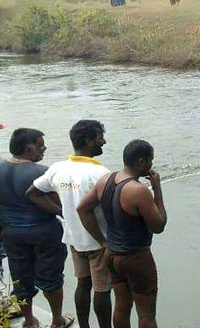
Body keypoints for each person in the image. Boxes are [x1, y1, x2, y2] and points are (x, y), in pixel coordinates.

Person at [0, 129, 74, 328]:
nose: (44, 148)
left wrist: (1, 215)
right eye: (40, 145)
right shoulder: (43, 172)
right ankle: (57, 320)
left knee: (21, 278)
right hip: (44, 232)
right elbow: (58, 203)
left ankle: (29, 321)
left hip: (12, 233)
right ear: (28, 148)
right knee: (52, 278)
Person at [26, 120, 111, 328]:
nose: (103, 142)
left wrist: (62, 213)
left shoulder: (58, 168)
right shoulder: (100, 174)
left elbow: (33, 193)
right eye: (100, 138)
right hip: (99, 242)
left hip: (74, 239)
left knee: (83, 284)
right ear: (89, 141)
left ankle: (83, 326)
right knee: (102, 290)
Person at [78, 140, 167, 328]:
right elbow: (159, 226)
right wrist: (157, 189)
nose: (151, 166)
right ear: (141, 162)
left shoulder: (105, 180)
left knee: (122, 307)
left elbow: (82, 209)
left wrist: (102, 241)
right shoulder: (138, 190)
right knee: (146, 314)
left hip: (112, 255)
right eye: (150, 161)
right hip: (136, 257)